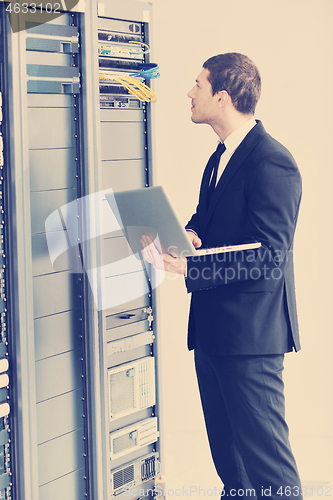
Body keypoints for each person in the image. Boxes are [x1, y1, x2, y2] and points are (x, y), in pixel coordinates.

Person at [141, 52, 303, 500]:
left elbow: (270, 256)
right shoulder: (220, 157)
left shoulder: (273, 162)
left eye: (198, 84)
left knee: (271, 476)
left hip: (250, 342)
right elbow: (210, 220)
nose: (190, 93)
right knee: (234, 475)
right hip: (213, 336)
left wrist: (193, 265)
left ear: (222, 96)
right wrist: (189, 234)